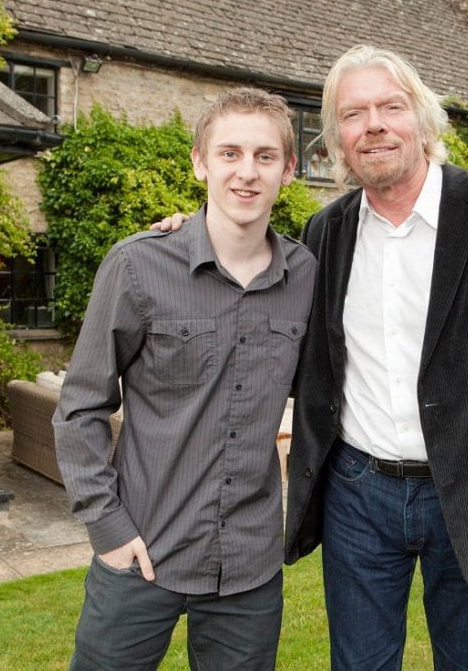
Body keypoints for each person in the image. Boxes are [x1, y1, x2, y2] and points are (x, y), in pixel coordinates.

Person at [156, 45, 468, 669]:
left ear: (423, 119)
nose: (375, 124)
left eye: (391, 106)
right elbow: (260, 295)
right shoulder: (325, 233)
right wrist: (193, 238)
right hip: (358, 493)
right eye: (354, 114)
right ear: (337, 140)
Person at [53, 87, 316, 669]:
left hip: (248, 566)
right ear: (200, 161)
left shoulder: (307, 276)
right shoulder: (137, 265)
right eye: (229, 153)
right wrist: (108, 529)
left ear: (289, 170)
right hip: (141, 549)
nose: (246, 173)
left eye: (265, 156)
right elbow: (80, 408)